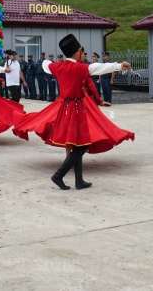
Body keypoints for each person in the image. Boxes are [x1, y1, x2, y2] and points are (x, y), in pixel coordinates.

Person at [13, 34, 134, 190]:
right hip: (77, 109)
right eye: (81, 51)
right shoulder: (80, 67)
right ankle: (59, 175)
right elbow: (99, 68)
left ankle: (79, 180)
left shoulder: (57, 66)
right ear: (77, 52)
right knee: (82, 145)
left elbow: (45, 65)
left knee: (79, 143)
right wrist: (119, 66)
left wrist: (50, 61)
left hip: (65, 108)